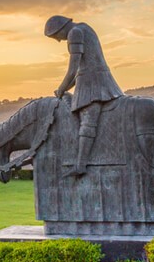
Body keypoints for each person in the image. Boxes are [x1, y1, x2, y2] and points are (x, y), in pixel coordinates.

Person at [45, 15, 124, 177]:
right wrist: (65, 88)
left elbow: (73, 68)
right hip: (92, 79)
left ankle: (81, 164)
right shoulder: (84, 27)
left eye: (55, 37)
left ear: (60, 29)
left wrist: (61, 88)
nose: (58, 41)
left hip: (93, 83)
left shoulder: (75, 33)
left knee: (88, 121)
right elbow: (81, 70)